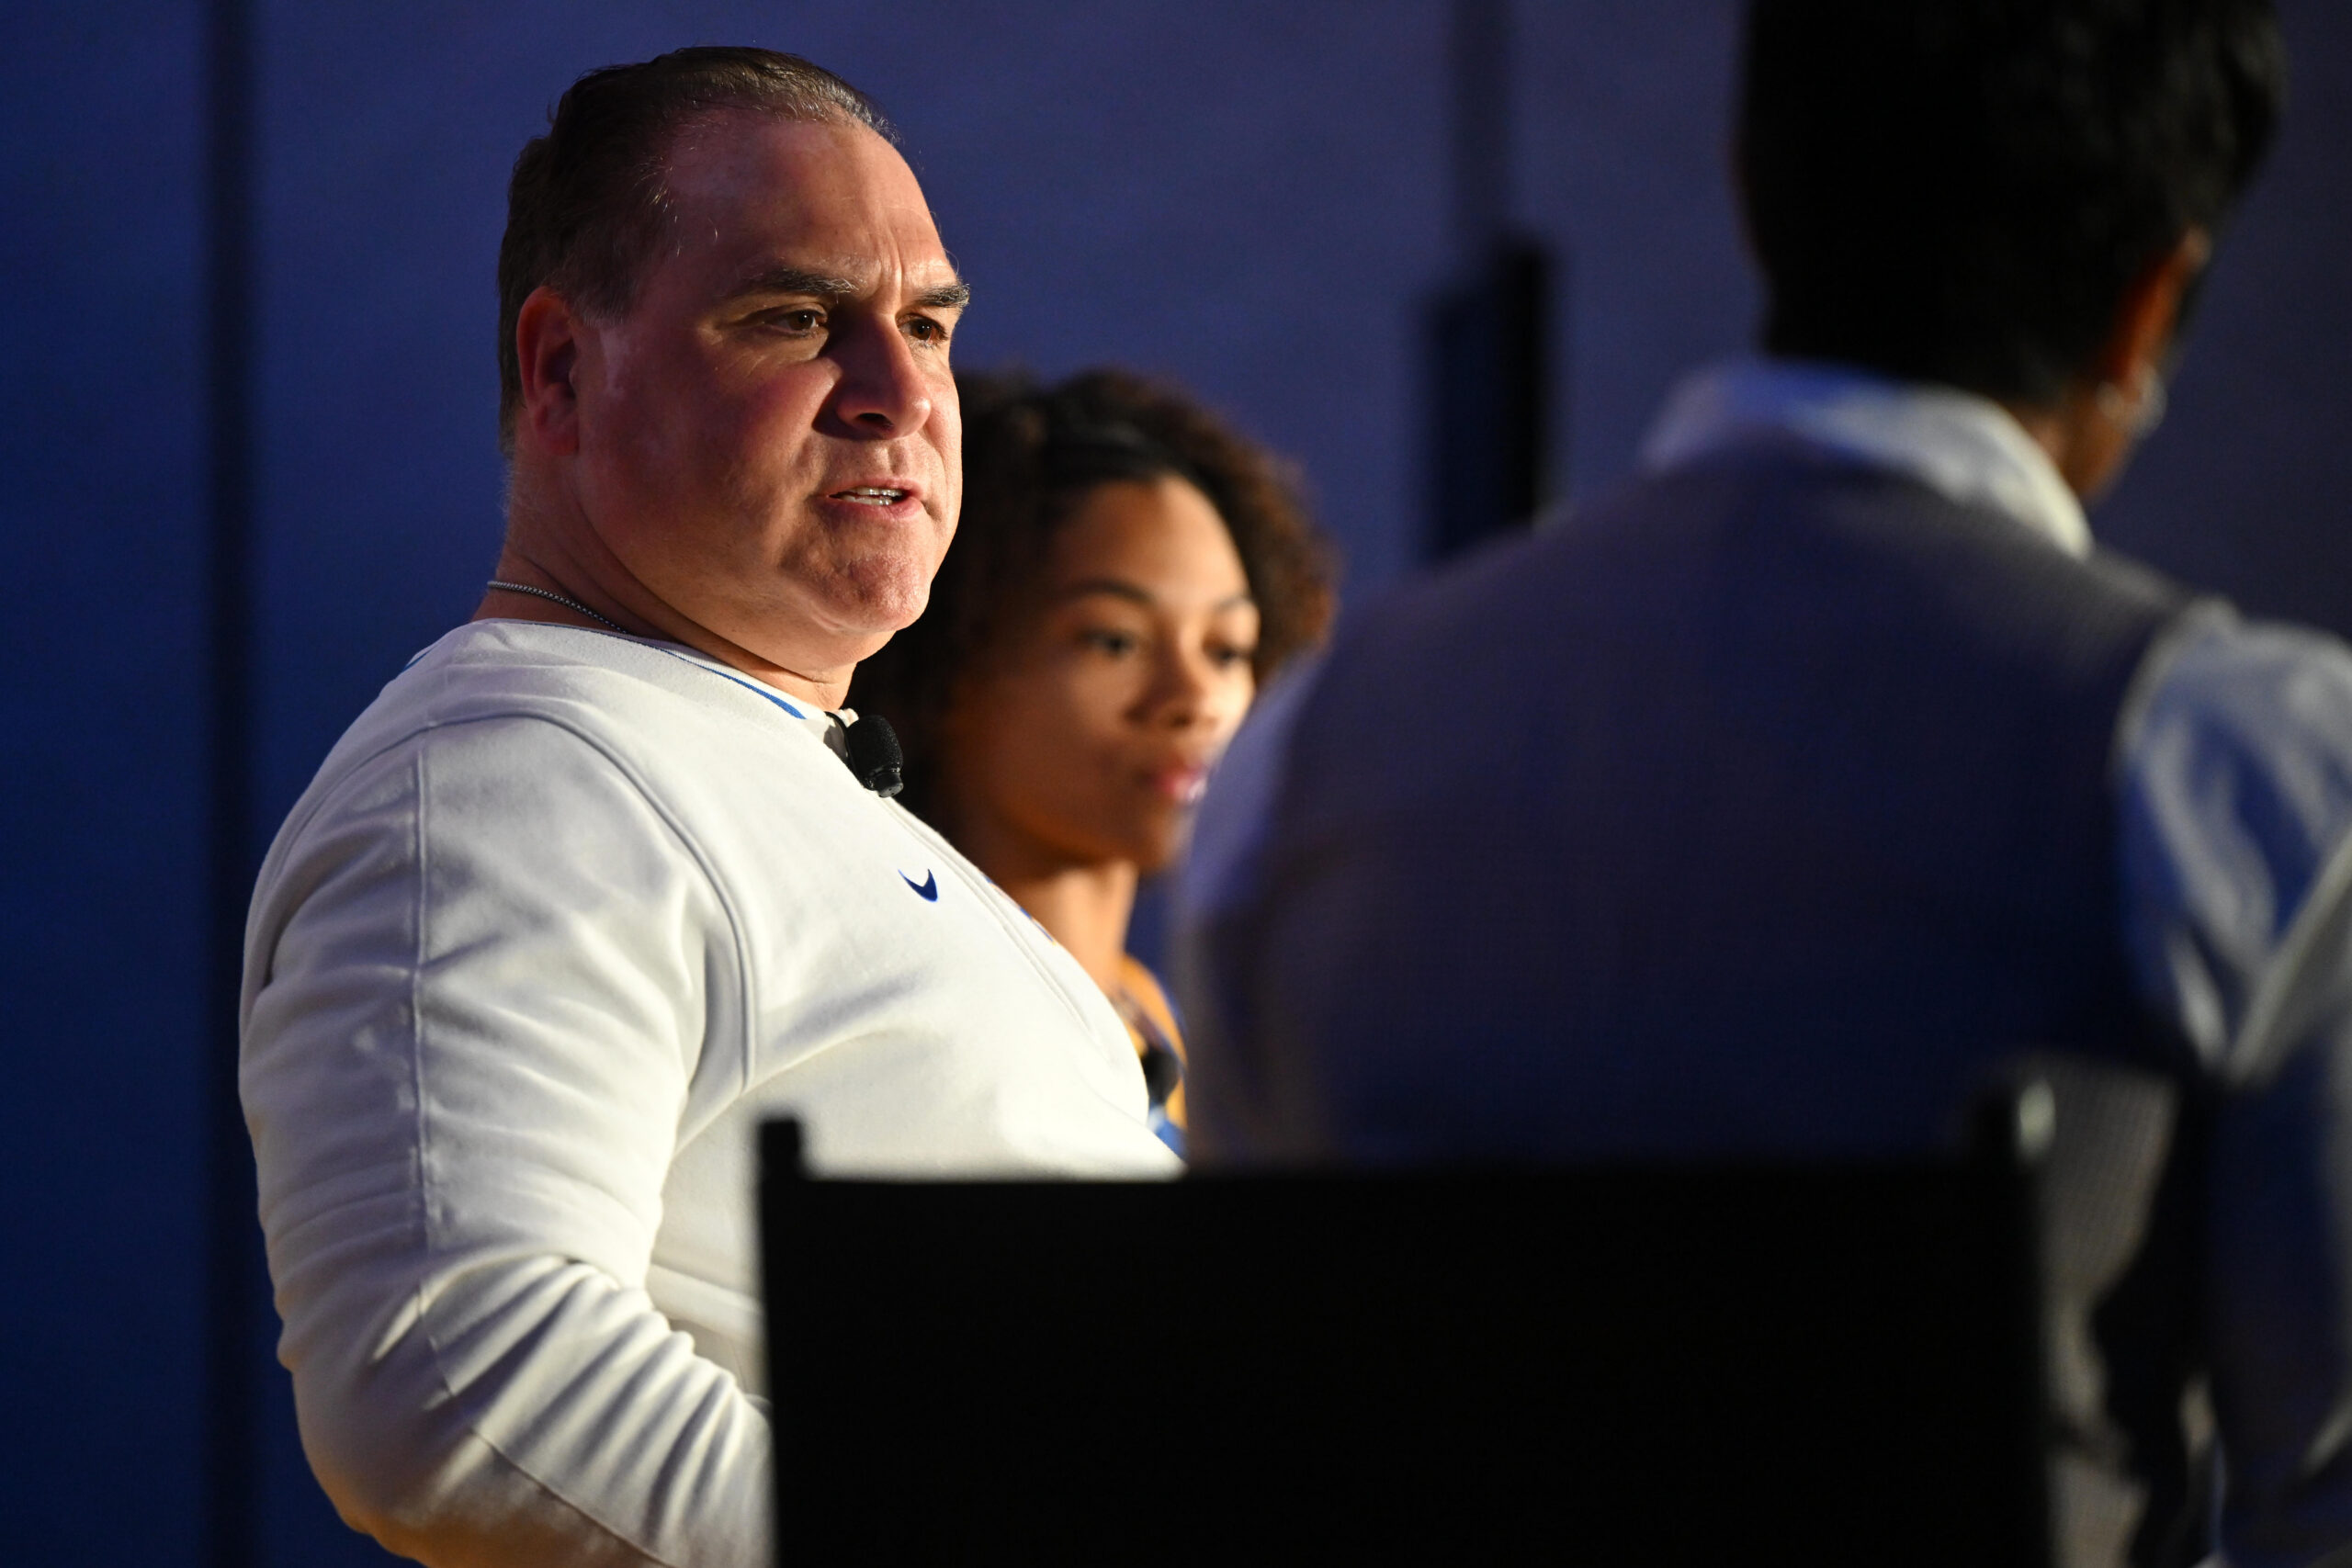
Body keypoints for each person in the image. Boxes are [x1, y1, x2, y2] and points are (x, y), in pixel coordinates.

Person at [1179, 3, 2352, 1563]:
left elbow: (1263, 1428)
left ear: (1748, 191)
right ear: (2154, 300)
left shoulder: (1301, 758)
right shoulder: (2243, 761)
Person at [239, 49, 1176, 1568]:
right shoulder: (508, 775)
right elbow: (454, 1382)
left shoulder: (747, 758)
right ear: (560, 374)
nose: (898, 394)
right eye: (796, 318)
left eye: (927, 322)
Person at [851, 369, 1334, 1152]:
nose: (1192, 698)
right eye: (1115, 640)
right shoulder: (912, 1010)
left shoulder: (1147, 1006)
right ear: (948, 656)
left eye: (1226, 649)